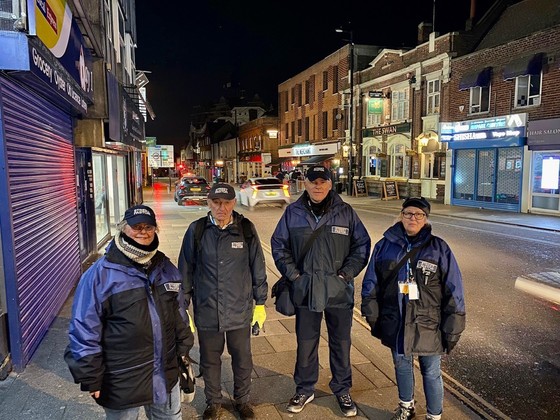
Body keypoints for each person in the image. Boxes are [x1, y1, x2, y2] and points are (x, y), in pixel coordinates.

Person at [64, 205, 194, 420]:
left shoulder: (165, 268)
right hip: (121, 379)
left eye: (149, 226)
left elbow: (179, 313)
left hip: (165, 372)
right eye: (137, 227)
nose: (143, 231)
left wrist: (184, 349)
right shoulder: (100, 275)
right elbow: (84, 328)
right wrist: (90, 376)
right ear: (123, 229)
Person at [271, 165, 371, 417]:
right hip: (305, 290)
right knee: (306, 344)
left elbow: (362, 246)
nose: (318, 186)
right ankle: (305, 388)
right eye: (313, 181)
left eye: (322, 181)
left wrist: (344, 275)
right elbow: (279, 245)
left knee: (341, 343)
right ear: (305, 183)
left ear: (330, 184)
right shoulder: (292, 213)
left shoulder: (346, 213)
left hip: (338, 291)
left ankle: (342, 389)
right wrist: (295, 276)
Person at [360, 197, 466, 420]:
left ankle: (434, 415)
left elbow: (453, 289)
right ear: (401, 215)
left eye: (419, 215)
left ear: (425, 219)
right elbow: (371, 282)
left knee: (431, 371)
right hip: (396, 318)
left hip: (429, 321)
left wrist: (453, 326)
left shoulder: (439, 248)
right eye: (408, 213)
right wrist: (372, 312)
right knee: (402, 364)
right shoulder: (385, 245)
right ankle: (406, 407)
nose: (413, 218)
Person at [178, 183, 268, 420]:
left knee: (242, 359)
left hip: (239, 309)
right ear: (208, 202)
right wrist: (182, 307)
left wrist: (260, 304)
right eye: (216, 202)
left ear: (233, 203)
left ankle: (242, 401)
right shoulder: (196, 231)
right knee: (210, 360)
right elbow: (185, 271)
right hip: (207, 309)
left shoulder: (246, 229)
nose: (222, 207)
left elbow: (258, 267)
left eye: (226, 202)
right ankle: (213, 402)